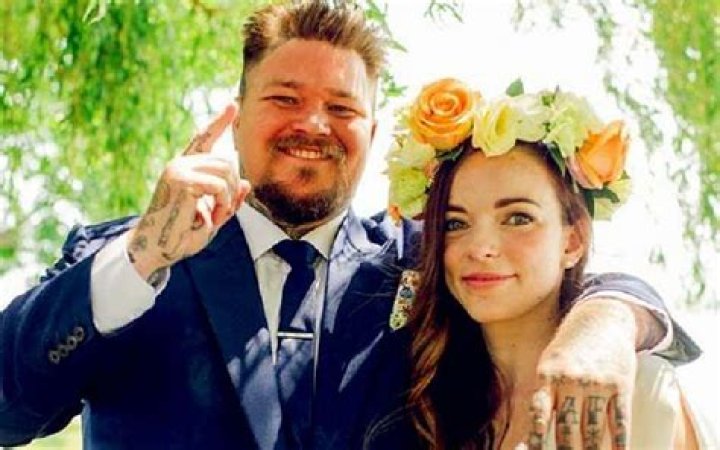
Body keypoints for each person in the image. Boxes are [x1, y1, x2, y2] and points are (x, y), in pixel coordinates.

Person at [0, 3, 700, 450]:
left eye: (342, 107)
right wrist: (142, 255)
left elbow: (541, 267)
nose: (313, 124)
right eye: (285, 98)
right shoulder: (126, 260)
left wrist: (609, 318)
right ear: (236, 118)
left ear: (370, 131)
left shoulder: (431, 262)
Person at [366, 78, 716, 449]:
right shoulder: (422, 406)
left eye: (518, 218)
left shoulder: (636, 392)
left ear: (573, 240)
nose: (480, 248)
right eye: (455, 223)